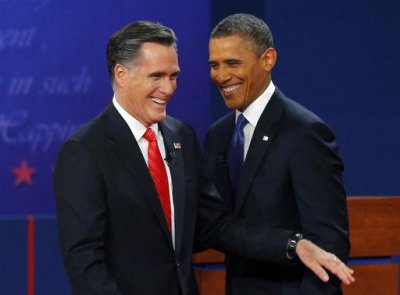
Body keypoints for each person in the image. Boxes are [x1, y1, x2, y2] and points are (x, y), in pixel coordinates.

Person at [54, 20, 353, 295]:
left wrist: (292, 244)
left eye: (173, 76)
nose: (168, 89)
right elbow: (84, 262)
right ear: (122, 74)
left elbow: (214, 225)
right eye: (156, 76)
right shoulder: (85, 150)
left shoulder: (180, 136)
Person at [201, 13, 352, 294]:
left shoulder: (304, 132)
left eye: (233, 63)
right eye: (214, 65)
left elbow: (328, 246)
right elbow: (217, 226)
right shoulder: (218, 135)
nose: (221, 76)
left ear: (268, 59)